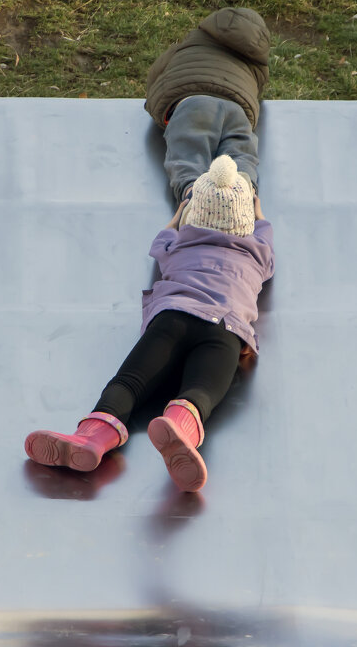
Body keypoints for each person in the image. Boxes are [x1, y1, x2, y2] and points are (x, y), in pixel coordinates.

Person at [24, 155, 275, 492]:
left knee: (129, 383)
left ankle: (94, 435)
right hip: (224, 328)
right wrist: (257, 211)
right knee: (201, 390)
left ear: (192, 215)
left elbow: (163, 237)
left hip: (172, 316)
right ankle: (180, 423)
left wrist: (178, 214)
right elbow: (264, 231)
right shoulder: (255, 251)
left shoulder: (179, 243)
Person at [144, 7, 271, 204]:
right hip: (236, 108)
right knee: (240, 151)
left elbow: (157, 73)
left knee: (189, 151)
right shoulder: (257, 62)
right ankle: (244, 191)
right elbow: (258, 88)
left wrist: (156, 106)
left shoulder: (191, 42)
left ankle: (192, 194)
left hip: (192, 103)